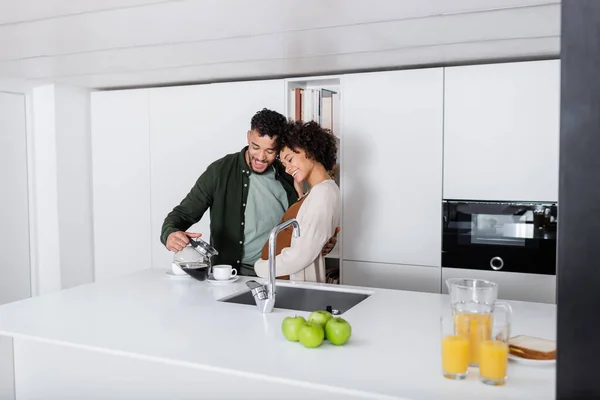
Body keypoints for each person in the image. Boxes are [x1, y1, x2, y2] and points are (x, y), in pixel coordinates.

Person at [160, 108, 337, 276]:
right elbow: (182, 214)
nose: (260, 157)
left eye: (269, 151)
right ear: (248, 136)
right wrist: (170, 233)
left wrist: (321, 241)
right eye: (255, 146)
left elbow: (303, 227)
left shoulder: (291, 173)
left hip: (278, 273)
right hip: (230, 273)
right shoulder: (219, 171)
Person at [254, 120, 341, 282]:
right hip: (284, 282)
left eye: (290, 159)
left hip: (291, 283)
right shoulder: (317, 191)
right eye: (284, 163)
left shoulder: (323, 193)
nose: (287, 168)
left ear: (310, 151)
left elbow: (301, 254)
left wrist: (261, 267)